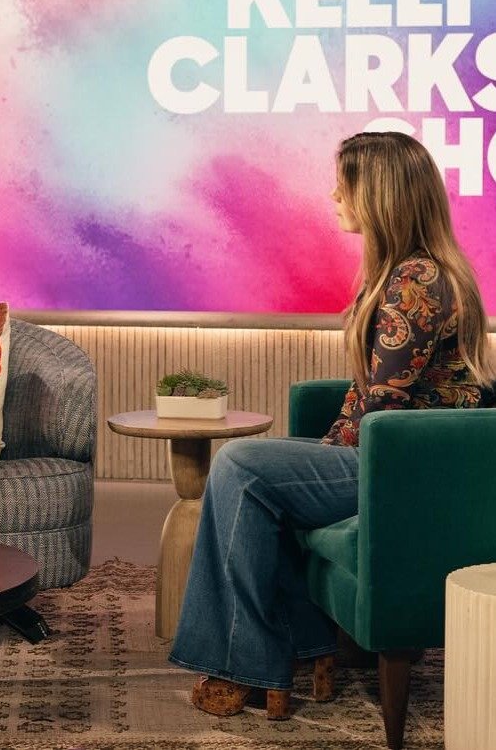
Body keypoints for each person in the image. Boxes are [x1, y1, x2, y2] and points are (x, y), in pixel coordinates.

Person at [170, 131, 494, 720]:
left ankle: (248, 663)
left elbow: (382, 408)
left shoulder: (417, 281)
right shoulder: (405, 272)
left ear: (381, 195)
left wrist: (321, 455)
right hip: (389, 456)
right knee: (257, 473)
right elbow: (369, 394)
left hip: (401, 468)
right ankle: (304, 648)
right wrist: (320, 449)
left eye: (344, 185)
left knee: (240, 465)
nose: (333, 196)